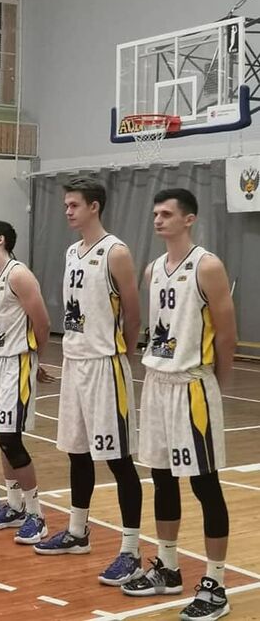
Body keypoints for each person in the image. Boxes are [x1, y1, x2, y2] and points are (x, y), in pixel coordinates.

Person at [122, 189, 235, 621]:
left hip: (192, 385)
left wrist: (216, 385)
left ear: (189, 219)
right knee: (162, 479)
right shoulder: (153, 268)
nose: (158, 219)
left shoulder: (207, 266)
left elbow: (226, 333)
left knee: (205, 485)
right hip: (157, 382)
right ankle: (168, 567)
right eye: (155, 213)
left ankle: (216, 584)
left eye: (167, 214)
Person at [35, 177, 144, 588]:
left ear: (94, 206)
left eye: (74, 205)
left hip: (105, 365)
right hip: (75, 362)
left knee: (118, 460)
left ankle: (131, 551)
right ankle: (78, 531)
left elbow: (133, 312)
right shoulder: (71, 251)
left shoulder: (116, 251)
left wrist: (121, 354)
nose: (67, 211)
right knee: (76, 452)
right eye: (66, 205)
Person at [0, 221, 52, 544]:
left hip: (16, 362)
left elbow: (42, 322)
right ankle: (15, 505)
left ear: (1, 240)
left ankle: (37, 514)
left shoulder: (18, 274)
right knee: (2, 436)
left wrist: (35, 360)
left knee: (10, 438)